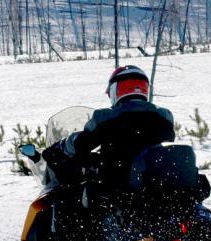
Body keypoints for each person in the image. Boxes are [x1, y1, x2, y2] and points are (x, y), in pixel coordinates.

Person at [42, 65, 176, 187]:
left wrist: (62, 146)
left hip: (117, 189)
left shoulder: (106, 117)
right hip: (154, 186)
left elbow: (82, 142)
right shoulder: (163, 116)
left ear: (115, 90)